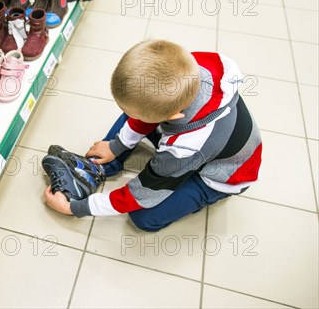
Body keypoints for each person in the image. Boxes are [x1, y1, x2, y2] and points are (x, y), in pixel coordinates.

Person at [44, 40, 262, 231]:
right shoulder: (188, 68)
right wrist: (115, 146)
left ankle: (198, 193)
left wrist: (75, 208)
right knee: (140, 106)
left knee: (143, 217)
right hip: (200, 138)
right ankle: (96, 169)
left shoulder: (184, 148)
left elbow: (142, 192)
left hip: (219, 176)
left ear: (173, 115)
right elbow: (144, 114)